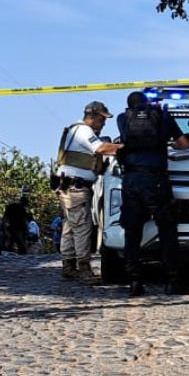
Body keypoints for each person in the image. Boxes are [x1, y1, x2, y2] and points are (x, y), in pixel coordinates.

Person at [113, 90, 189, 296]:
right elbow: (184, 144)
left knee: (132, 231)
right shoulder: (164, 116)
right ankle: (173, 281)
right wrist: (169, 144)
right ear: (148, 103)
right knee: (166, 230)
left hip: (132, 181)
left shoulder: (122, 118)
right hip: (157, 180)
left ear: (129, 106)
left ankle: (135, 282)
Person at [55, 100, 112, 281]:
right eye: (102, 119)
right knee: (82, 227)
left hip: (69, 186)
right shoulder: (83, 131)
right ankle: (84, 269)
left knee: (70, 226)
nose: (104, 124)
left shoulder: (76, 129)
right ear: (92, 116)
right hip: (76, 188)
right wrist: (125, 147)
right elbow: (101, 148)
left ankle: (68, 266)